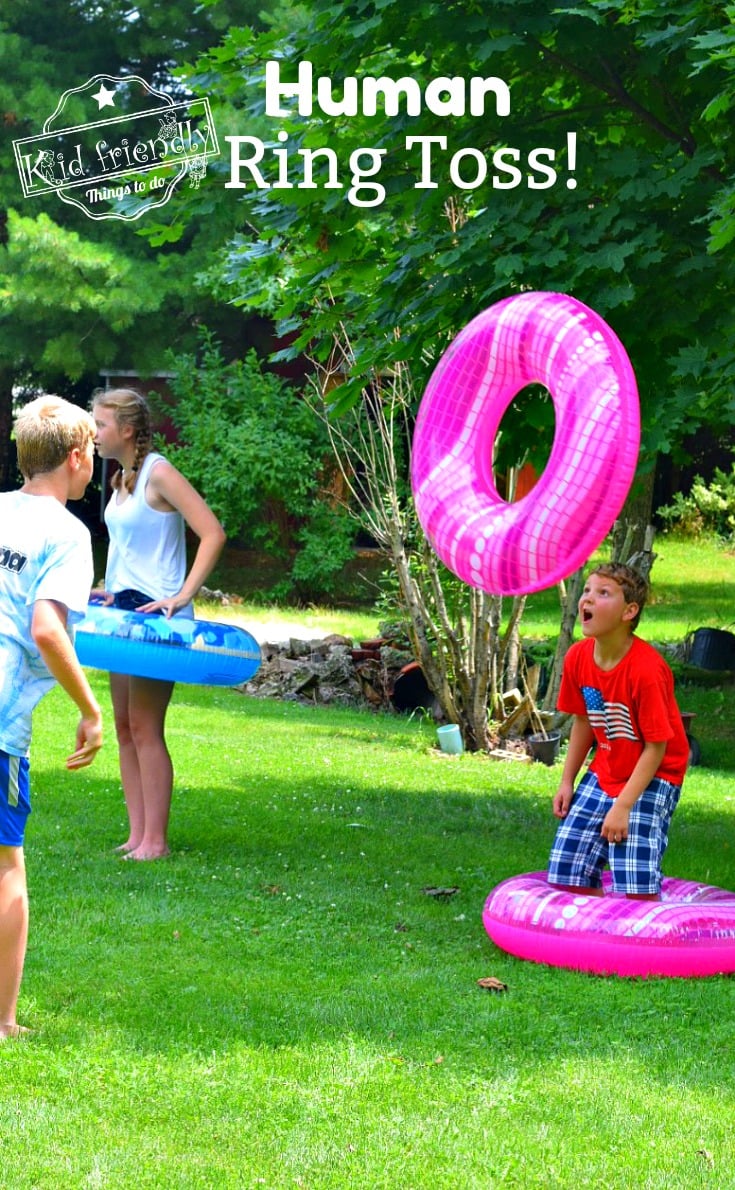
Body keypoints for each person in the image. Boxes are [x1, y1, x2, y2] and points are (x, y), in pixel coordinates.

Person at [0, 395, 103, 1041]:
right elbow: (47, 629)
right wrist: (90, 710)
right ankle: (4, 1021)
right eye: (91, 450)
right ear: (74, 458)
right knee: (7, 863)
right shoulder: (67, 533)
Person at [91, 388, 225, 861]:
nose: (94, 432)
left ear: (127, 430)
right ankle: (136, 835)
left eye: (101, 424)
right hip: (123, 610)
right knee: (125, 726)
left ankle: (157, 842)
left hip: (158, 619)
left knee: (146, 726)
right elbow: (128, 545)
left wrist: (184, 595)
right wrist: (109, 586)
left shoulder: (159, 472)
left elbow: (212, 531)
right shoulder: (121, 478)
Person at [547, 562, 689, 901]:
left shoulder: (647, 670)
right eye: (587, 591)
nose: (588, 600)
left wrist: (623, 806)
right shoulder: (578, 657)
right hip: (607, 767)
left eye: (603, 593)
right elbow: (584, 721)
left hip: (654, 773)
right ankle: (592, 937)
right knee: (568, 870)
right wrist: (567, 781)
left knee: (633, 884)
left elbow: (656, 748)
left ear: (629, 611)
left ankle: (642, 940)